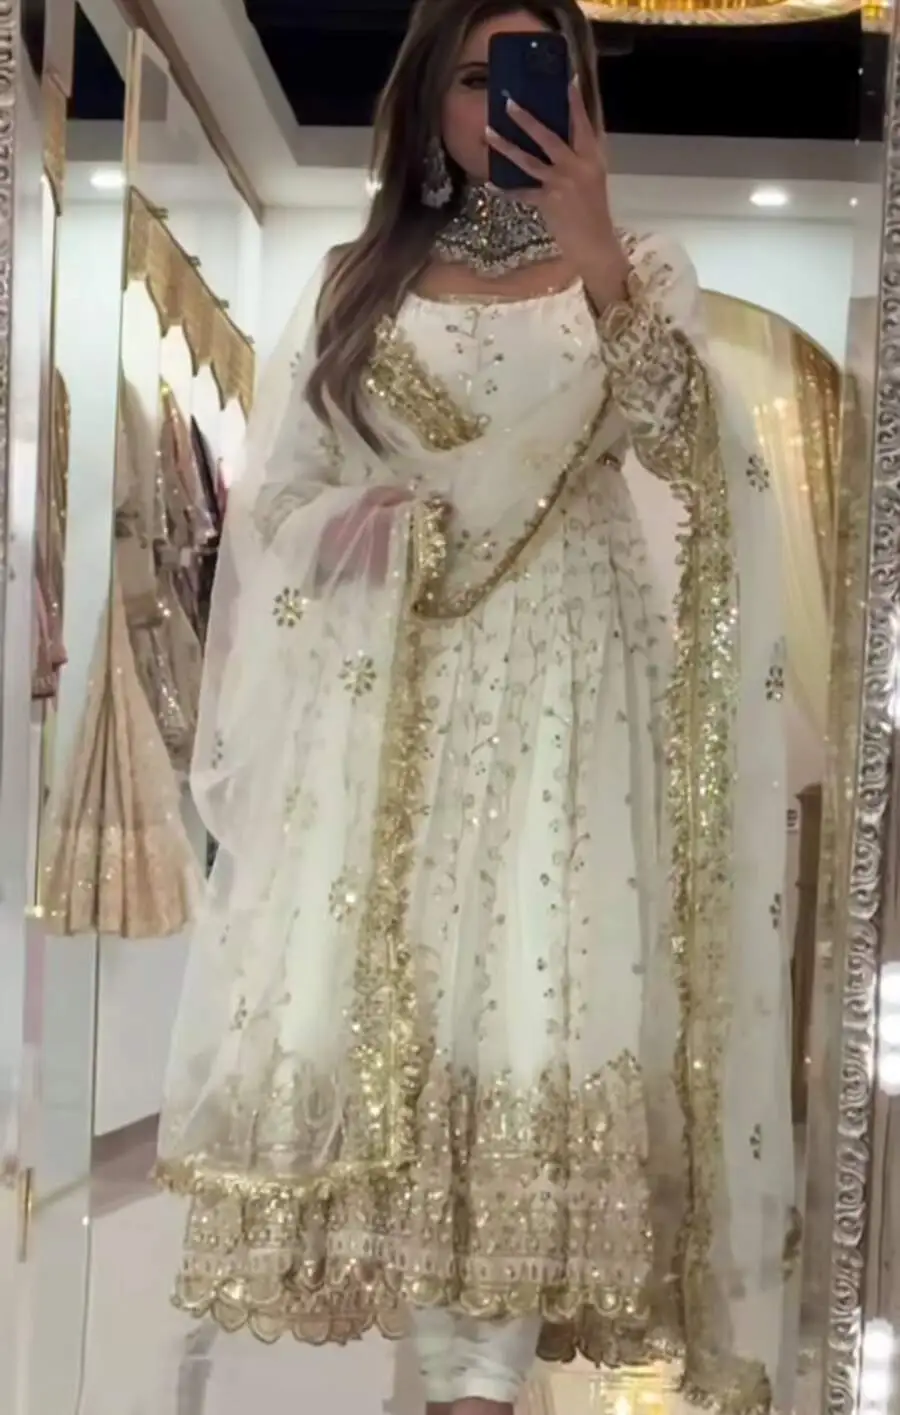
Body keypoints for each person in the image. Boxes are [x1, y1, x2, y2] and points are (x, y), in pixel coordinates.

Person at [156, 2, 795, 1412]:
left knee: (535, 1010)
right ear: (425, 104)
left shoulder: (638, 270)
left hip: (570, 694)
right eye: (474, 76)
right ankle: (444, 1372)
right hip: (394, 707)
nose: (506, 103)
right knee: (404, 1028)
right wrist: (360, 527)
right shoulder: (356, 283)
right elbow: (277, 507)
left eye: (537, 75)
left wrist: (594, 244)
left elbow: (697, 458)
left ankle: (476, 1384)